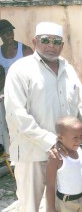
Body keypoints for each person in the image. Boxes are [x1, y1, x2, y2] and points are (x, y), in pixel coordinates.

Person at [4, 21, 82, 212]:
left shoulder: (67, 69)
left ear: (62, 45)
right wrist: (51, 141)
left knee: (61, 203)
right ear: (34, 41)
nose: (51, 46)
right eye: (45, 40)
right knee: (31, 206)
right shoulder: (20, 70)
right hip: (32, 153)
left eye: (56, 41)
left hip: (64, 153)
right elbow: (17, 114)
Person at [0, 19, 33, 153]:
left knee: (25, 121)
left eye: (11, 31)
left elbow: (34, 73)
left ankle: (28, 149)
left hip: (23, 92)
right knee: (8, 124)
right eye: (5, 33)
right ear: (1, 36)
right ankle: (10, 151)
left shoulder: (24, 50)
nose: (9, 35)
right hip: (5, 94)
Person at [46, 116, 82, 212]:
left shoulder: (79, 150)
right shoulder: (56, 158)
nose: (79, 140)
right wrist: (51, 208)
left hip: (81, 200)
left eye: (81, 136)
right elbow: (50, 186)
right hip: (66, 204)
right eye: (75, 137)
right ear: (60, 137)